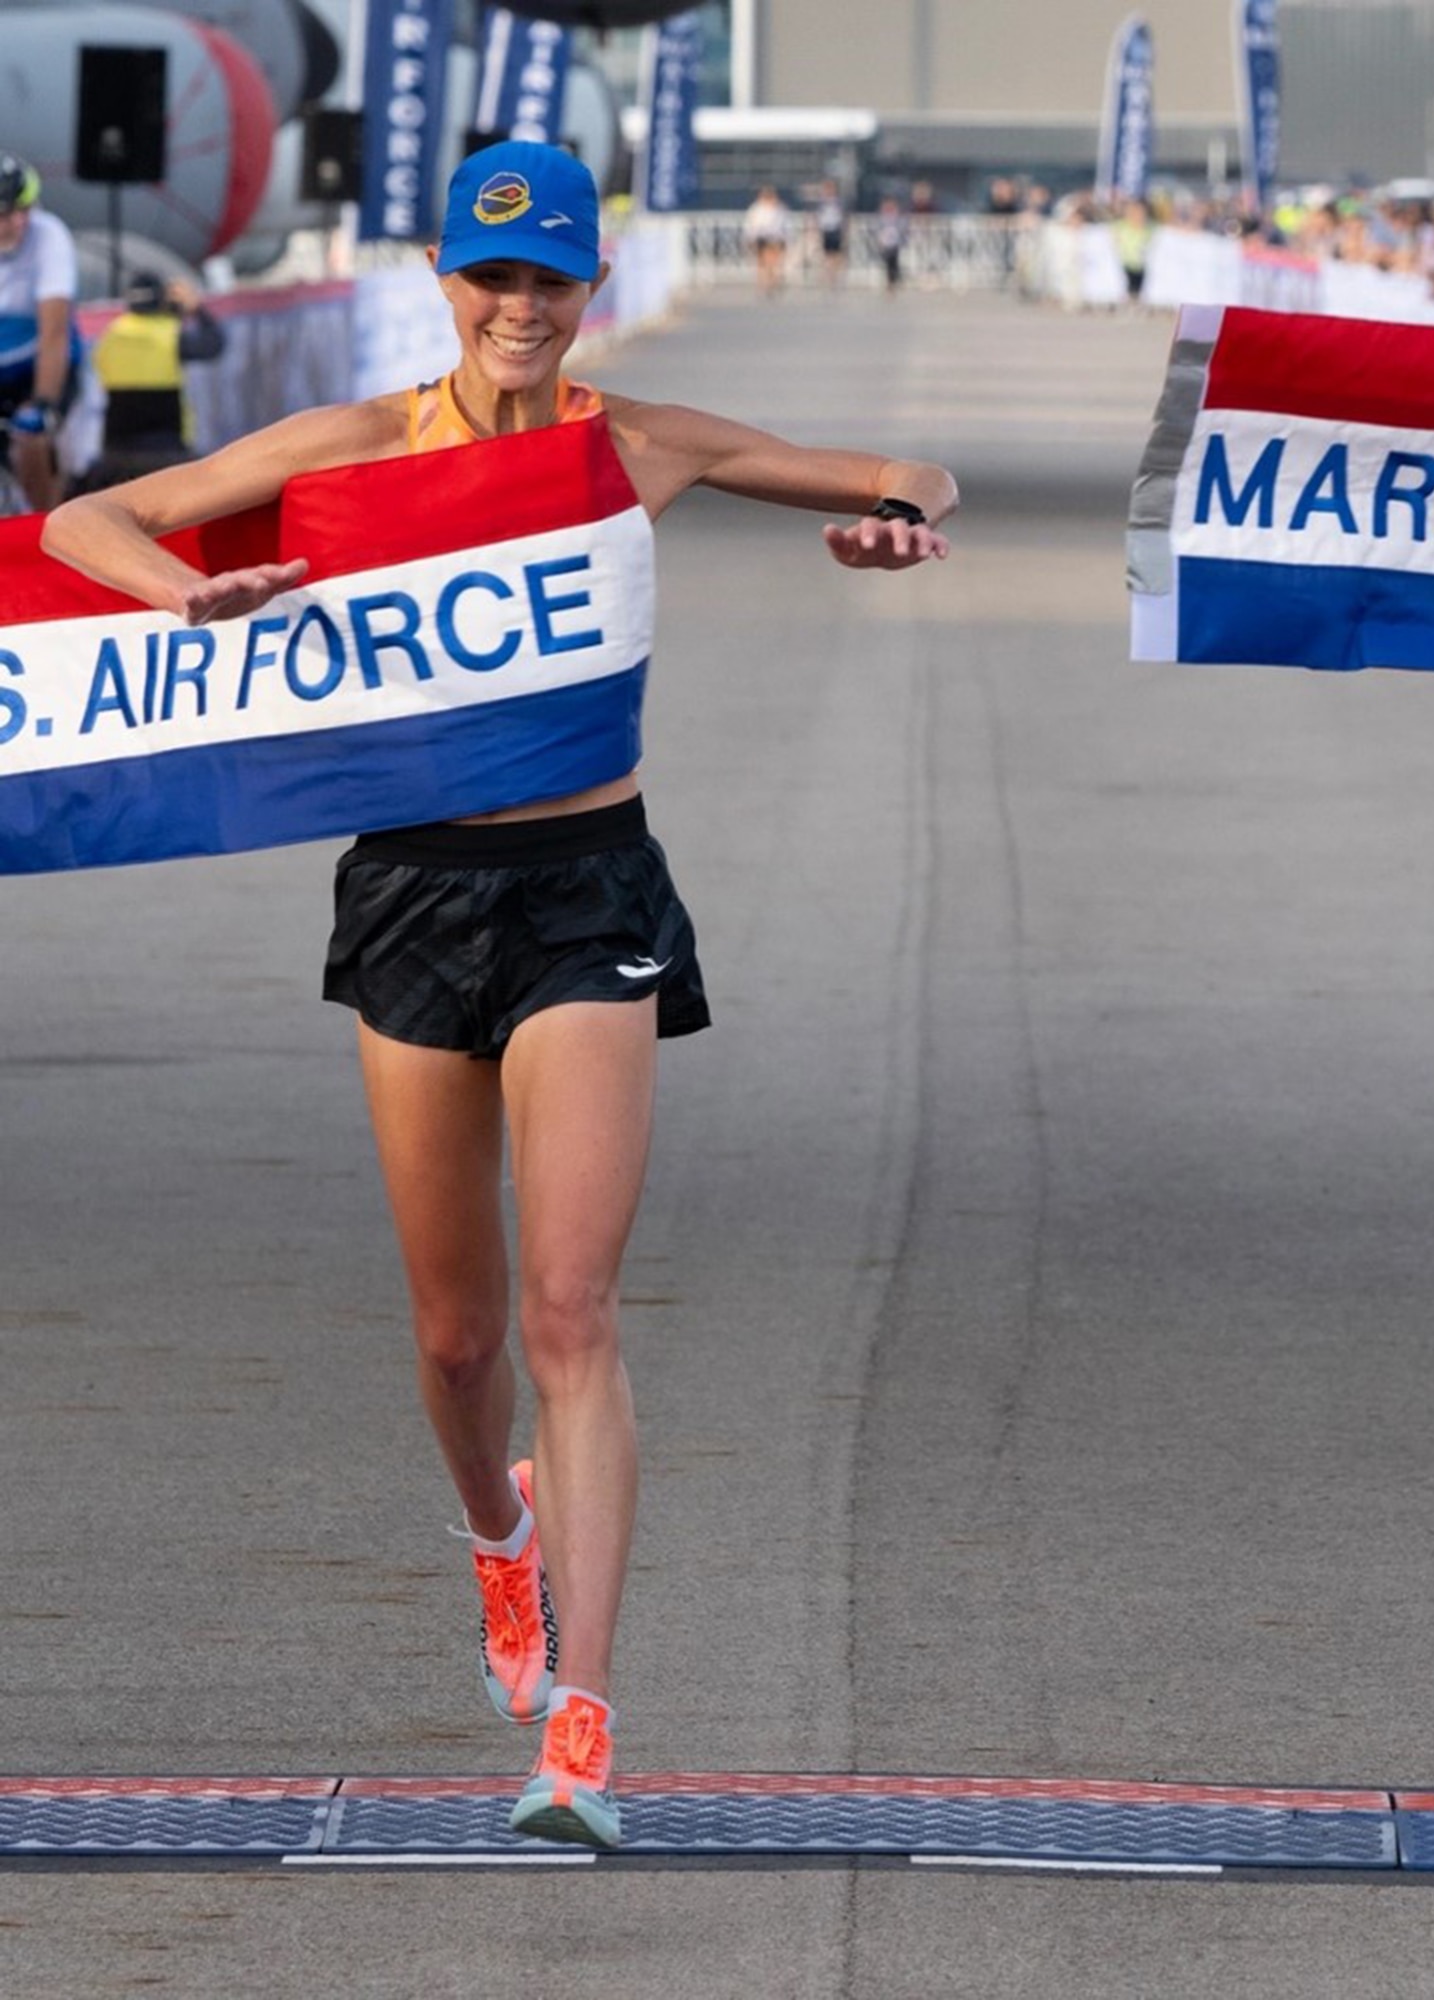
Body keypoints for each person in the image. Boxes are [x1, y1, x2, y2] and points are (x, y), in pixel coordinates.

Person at [41, 139, 958, 1851]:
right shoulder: (355, 446)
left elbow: (908, 465)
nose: (520, 307)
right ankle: (499, 1543)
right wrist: (195, 592)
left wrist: (898, 523)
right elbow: (93, 516)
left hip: (590, 897)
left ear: (589, 286)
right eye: (493, 277)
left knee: (568, 1316)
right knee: (460, 1340)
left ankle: (587, 1735)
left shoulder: (639, 443)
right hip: (413, 892)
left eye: (550, 279)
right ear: (443, 282)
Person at [78, 270, 227, 490]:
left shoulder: (111, 335)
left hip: (116, 453)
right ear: (162, 300)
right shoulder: (171, 335)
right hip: (166, 451)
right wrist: (195, 308)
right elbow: (214, 344)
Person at [0, 152, 84, 511]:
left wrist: (44, 404)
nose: (19, 221)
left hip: (43, 363)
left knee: (30, 441)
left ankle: (44, 530)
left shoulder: (49, 236)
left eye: (25, 209)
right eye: (6, 213)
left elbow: (53, 334)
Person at [742, 184, 791, 297]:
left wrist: (787, 238)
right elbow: (751, 225)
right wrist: (750, 238)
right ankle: (765, 284)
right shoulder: (756, 208)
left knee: (773, 263)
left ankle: (771, 283)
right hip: (762, 237)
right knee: (763, 263)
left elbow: (786, 225)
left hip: (776, 237)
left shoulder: (779, 208)